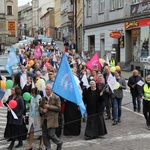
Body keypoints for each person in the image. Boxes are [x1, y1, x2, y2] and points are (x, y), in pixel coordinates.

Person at [39, 84, 63, 150]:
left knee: (51, 134)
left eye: (48, 89)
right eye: (46, 89)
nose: (47, 91)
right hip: (44, 119)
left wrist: (49, 107)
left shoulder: (56, 97)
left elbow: (58, 108)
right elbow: (40, 106)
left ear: (51, 90)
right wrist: (42, 110)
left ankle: (59, 142)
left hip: (52, 119)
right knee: (45, 136)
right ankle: (48, 148)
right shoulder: (44, 98)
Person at [4, 86, 24, 150]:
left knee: (15, 131)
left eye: (13, 90)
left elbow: (22, 108)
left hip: (17, 117)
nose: (12, 91)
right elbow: (8, 104)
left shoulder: (20, 98)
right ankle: (20, 141)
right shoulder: (10, 97)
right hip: (11, 116)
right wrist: (5, 103)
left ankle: (12, 144)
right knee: (16, 130)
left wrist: (18, 115)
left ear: (16, 91)